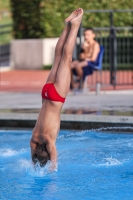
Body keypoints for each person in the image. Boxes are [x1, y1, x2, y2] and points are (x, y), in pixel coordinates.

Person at [30, 8, 84, 170]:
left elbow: (53, 155)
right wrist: (34, 162)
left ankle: (75, 25)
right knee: (58, 58)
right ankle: (67, 26)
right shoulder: (34, 138)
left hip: (55, 97)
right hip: (46, 94)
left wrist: (52, 169)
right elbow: (33, 151)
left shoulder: (48, 139)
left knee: (66, 58)